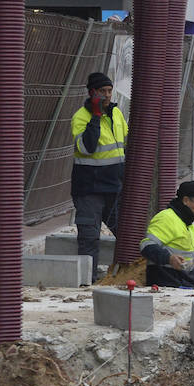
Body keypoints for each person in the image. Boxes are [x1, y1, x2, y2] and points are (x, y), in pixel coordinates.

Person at [71, 72, 128, 276]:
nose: (107, 95)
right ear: (92, 93)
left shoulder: (117, 114)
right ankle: (88, 279)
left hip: (115, 188)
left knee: (128, 234)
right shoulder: (80, 118)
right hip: (90, 191)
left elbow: (125, 146)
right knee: (89, 237)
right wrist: (95, 116)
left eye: (110, 91)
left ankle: (128, 273)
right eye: (102, 91)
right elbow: (87, 148)